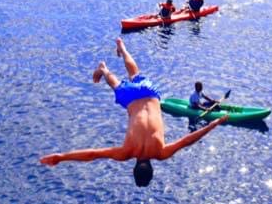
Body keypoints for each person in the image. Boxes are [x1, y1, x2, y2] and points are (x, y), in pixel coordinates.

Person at [40, 38, 228, 187]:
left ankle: (122, 49)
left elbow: (188, 141)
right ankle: (104, 69)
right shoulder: (126, 153)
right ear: (134, 169)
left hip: (150, 94)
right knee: (116, 85)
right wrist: (61, 157)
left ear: (152, 169)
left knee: (135, 75)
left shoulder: (162, 152)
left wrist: (214, 124)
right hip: (130, 99)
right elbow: (93, 154)